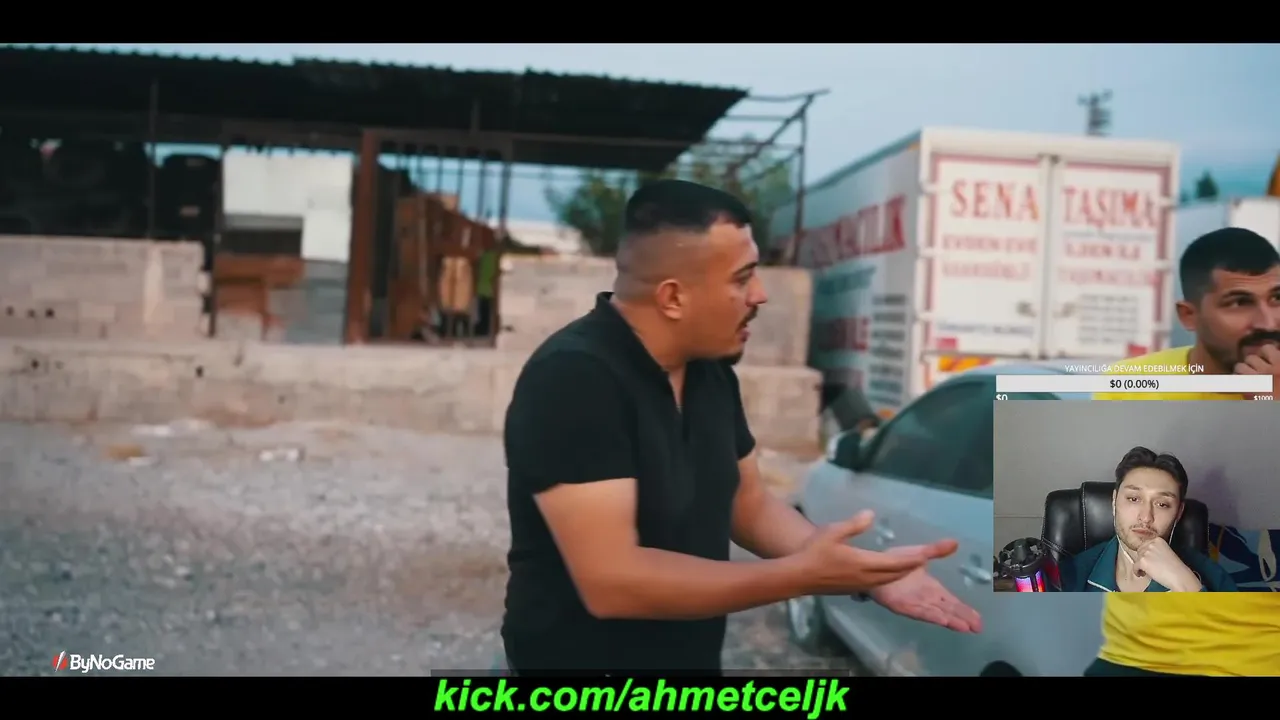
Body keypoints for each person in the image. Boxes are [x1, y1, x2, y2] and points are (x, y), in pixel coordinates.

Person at [501, 179, 982, 675]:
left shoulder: (709, 371)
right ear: (673, 298)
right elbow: (612, 581)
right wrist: (801, 577)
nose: (761, 295)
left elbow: (748, 507)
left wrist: (865, 571)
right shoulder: (575, 379)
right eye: (742, 278)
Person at [1089, 226, 1280, 677]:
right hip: (1137, 657)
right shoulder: (1131, 386)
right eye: (1240, 303)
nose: (1269, 322)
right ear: (1189, 315)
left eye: (1277, 298)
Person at [1059, 446, 1235, 594]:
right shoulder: (1070, 576)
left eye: (1162, 504)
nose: (1146, 517)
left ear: (1179, 512)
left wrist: (1187, 586)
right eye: (1134, 499)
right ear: (1114, 501)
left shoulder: (1214, 578)